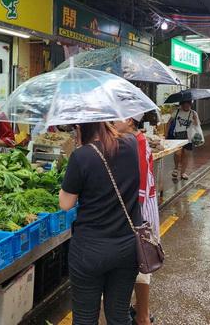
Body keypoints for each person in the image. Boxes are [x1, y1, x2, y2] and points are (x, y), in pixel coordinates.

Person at [59, 121, 141, 325]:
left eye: (74, 128)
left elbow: (66, 204)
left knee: (85, 319)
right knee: (119, 316)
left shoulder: (81, 156)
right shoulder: (131, 143)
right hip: (127, 247)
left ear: (81, 126)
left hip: (90, 250)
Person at [112, 114, 159, 325]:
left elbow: (138, 183)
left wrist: (132, 214)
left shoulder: (136, 143)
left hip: (138, 209)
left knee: (140, 260)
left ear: (130, 120)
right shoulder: (135, 139)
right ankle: (141, 310)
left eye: (118, 118)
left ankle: (142, 316)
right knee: (139, 259)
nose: (114, 122)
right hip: (141, 206)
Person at [166, 100, 199, 180]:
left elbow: (197, 125)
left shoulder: (193, 113)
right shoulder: (177, 112)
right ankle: (176, 168)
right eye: (184, 106)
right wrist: (166, 133)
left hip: (188, 136)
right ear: (181, 105)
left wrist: (195, 119)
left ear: (190, 106)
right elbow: (169, 122)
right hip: (178, 135)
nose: (186, 108)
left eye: (188, 106)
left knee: (186, 154)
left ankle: (183, 172)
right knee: (178, 153)